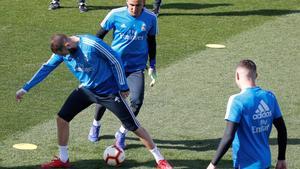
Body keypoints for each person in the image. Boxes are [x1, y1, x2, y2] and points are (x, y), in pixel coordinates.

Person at [15, 34, 172, 169]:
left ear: (67, 44)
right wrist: (25, 88)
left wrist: (123, 85)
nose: (64, 57)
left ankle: (160, 160)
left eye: (64, 54)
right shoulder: (62, 51)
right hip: (87, 90)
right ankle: (63, 160)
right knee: (62, 118)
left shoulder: (92, 44)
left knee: (134, 126)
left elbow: (115, 60)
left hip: (109, 92)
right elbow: (46, 68)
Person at [88, 0, 158, 149]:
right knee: (104, 97)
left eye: (138, 5)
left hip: (136, 68)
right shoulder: (115, 14)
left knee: (137, 101)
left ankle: (121, 133)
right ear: (127, 2)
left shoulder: (151, 18)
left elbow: (152, 42)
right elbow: (97, 37)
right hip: (114, 65)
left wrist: (152, 64)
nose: (134, 8)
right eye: (131, 5)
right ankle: (96, 124)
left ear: (144, 4)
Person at [207, 59, 287, 169]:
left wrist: (213, 164)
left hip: (245, 165)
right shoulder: (270, 97)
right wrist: (281, 158)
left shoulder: (237, 100)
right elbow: (282, 129)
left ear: (237, 76)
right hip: (265, 162)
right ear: (256, 75)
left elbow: (228, 136)